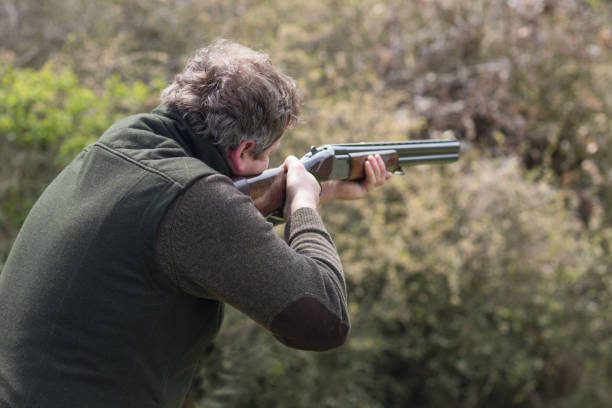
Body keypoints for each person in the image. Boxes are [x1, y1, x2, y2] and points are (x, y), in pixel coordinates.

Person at [0, 39, 391, 408]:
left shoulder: (127, 141)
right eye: (268, 156)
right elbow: (325, 321)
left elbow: (180, 241)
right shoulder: (193, 199)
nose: (270, 166)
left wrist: (283, 204)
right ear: (243, 152)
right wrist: (304, 205)